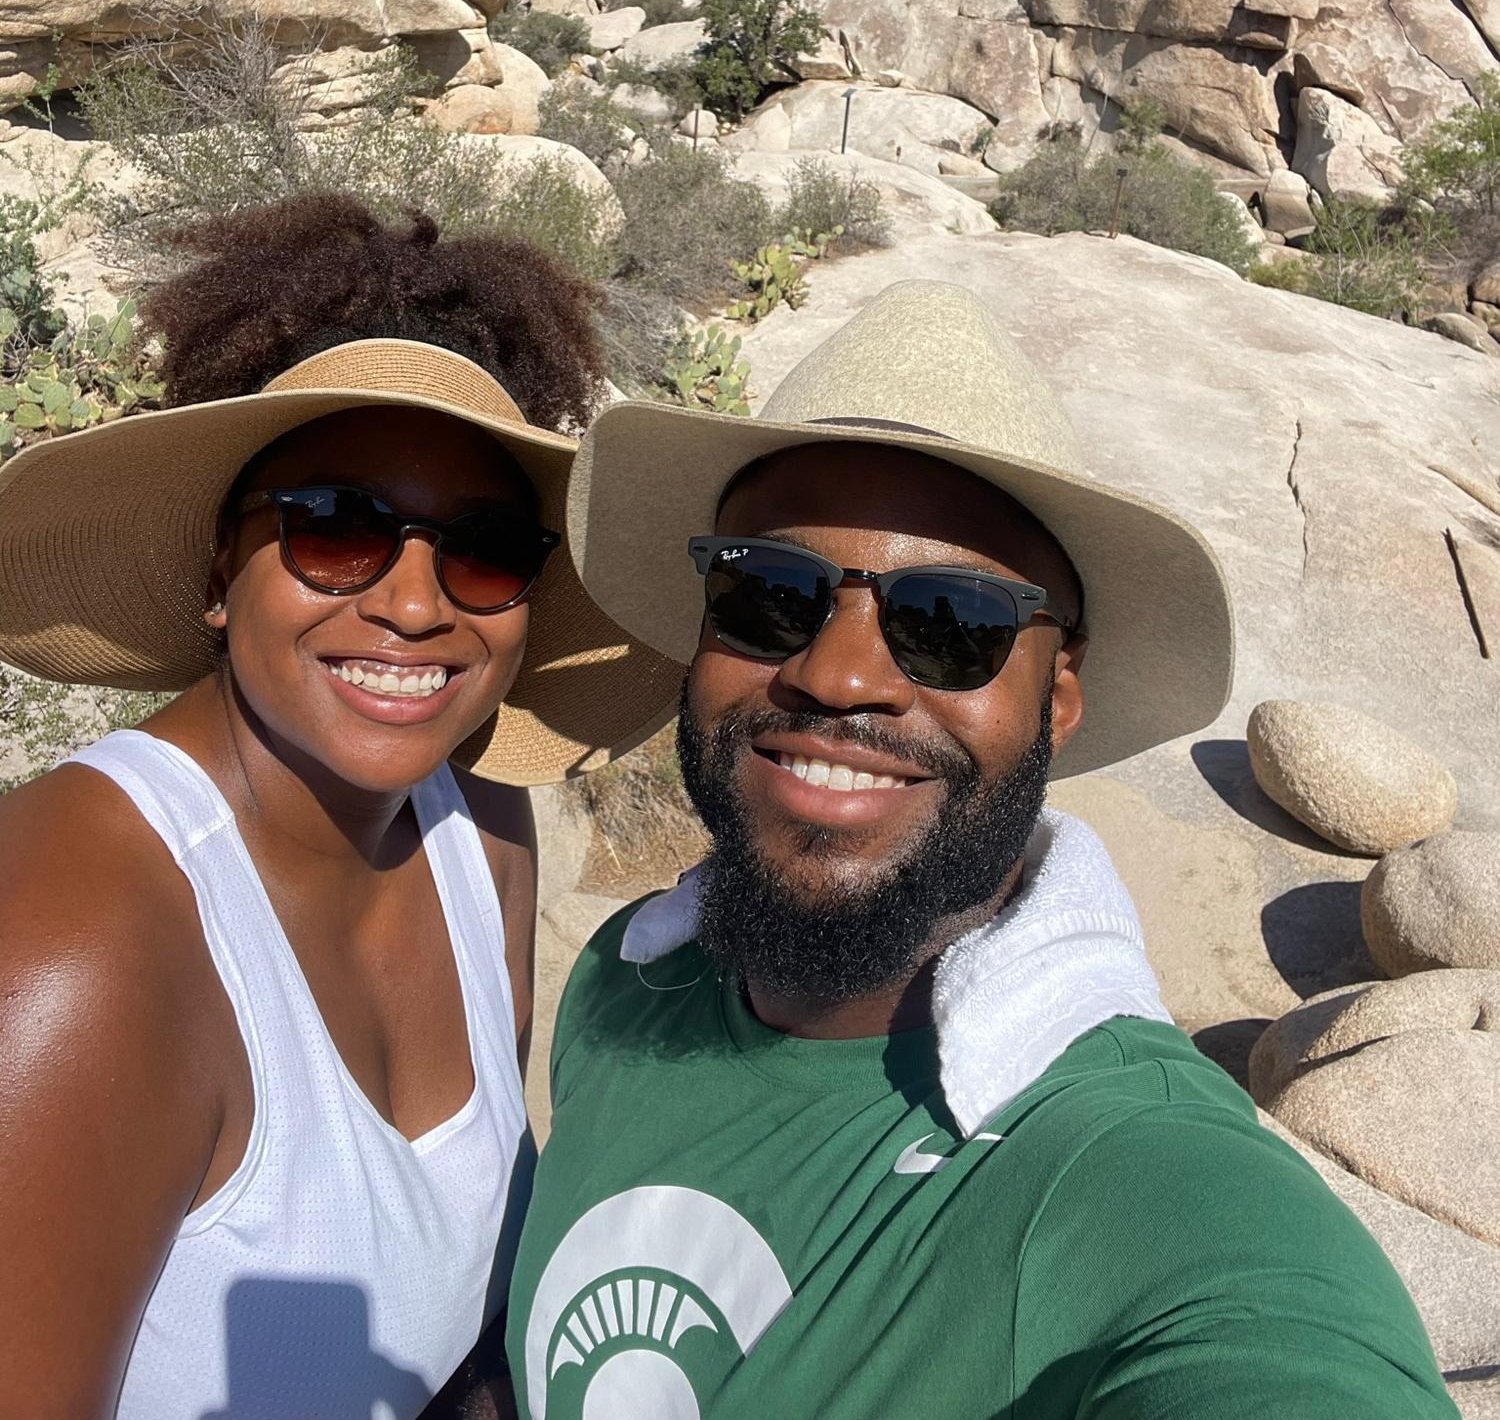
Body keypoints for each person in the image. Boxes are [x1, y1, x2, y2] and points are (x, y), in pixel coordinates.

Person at [507, 278, 1457, 1419]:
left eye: (950, 622)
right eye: (770, 592)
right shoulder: (626, 978)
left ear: (1057, 695)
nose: (836, 675)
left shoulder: (1137, 1179)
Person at [0, 197, 676, 1420]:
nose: (416, 604)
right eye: (336, 526)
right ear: (221, 569)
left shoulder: (481, 831)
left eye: (483, 547)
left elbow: (464, 1326)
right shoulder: (72, 929)